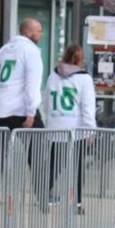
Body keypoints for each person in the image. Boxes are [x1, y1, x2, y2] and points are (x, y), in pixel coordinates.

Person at [0, 18, 45, 206]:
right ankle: (42, 195)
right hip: (21, 108)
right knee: (37, 150)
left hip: (1, 108)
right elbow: (32, 84)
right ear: (28, 32)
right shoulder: (31, 51)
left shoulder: (2, 51)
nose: (41, 34)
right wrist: (31, 111)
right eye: (38, 31)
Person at [45, 44, 97, 214]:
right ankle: (78, 202)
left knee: (54, 165)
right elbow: (88, 107)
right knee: (78, 168)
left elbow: (47, 101)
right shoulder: (84, 79)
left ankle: (45, 197)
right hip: (76, 129)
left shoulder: (53, 75)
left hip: (56, 128)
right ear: (81, 59)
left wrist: (50, 122)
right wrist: (90, 130)